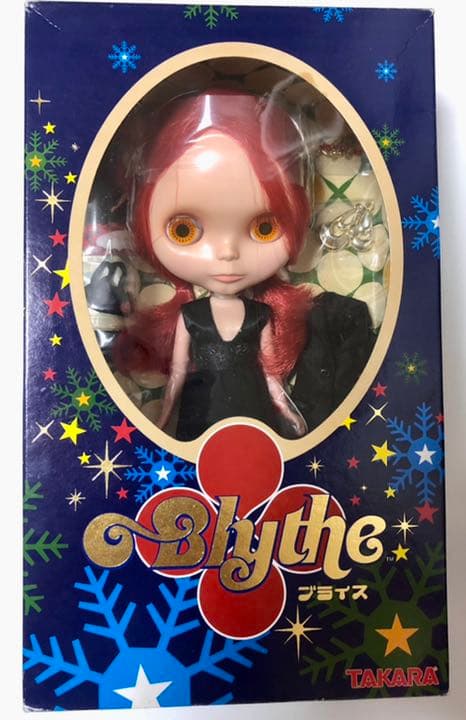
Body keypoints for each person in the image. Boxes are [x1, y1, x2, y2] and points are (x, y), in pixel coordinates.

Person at [113, 90, 374, 440]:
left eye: (264, 228)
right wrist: (163, 416)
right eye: (184, 230)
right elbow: (177, 371)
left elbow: (271, 374)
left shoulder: (260, 315)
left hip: (252, 406)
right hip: (201, 408)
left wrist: (285, 408)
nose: (227, 253)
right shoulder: (191, 316)